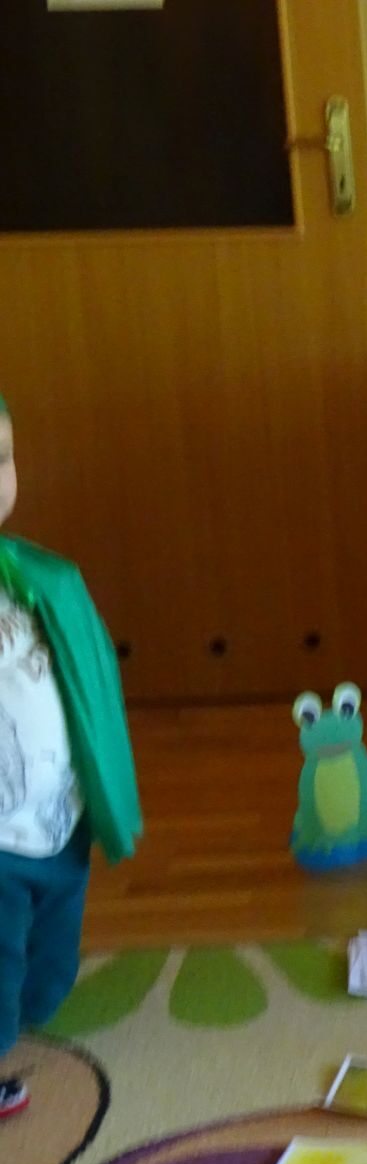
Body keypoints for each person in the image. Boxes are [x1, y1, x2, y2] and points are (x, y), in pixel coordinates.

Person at [0, 391, 142, 1118]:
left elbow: (88, 679)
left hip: (57, 814)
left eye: (0, 459)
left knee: (48, 968)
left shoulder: (38, 580)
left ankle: (21, 1014)